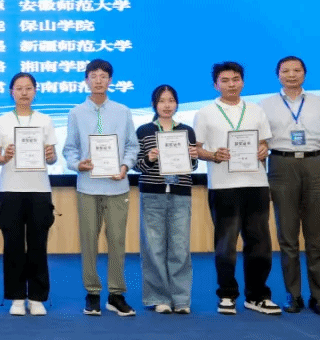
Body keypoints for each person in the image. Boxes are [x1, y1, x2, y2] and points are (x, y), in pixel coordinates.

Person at [259, 57, 320, 316]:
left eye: (297, 70)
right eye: (285, 71)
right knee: (287, 236)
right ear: (278, 75)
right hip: (281, 165)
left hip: (316, 164)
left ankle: (319, 297)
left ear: (304, 74)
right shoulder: (264, 105)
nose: (291, 74)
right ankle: (293, 295)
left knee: (319, 237)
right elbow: (259, 143)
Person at [193, 62, 280, 315]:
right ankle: (227, 294)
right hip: (223, 186)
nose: (231, 84)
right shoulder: (205, 112)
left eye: (235, 79)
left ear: (242, 81)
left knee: (259, 243)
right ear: (215, 85)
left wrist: (264, 150)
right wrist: (213, 155)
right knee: (225, 244)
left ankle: (257, 296)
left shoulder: (256, 110)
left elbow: (264, 143)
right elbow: (196, 149)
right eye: (225, 80)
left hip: (256, 184)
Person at [64, 59, 140, 317]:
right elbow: (70, 149)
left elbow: (132, 146)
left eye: (103, 76)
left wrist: (125, 166)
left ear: (110, 80)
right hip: (88, 186)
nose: (98, 80)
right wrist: (78, 164)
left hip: (117, 186)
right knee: (89, 241)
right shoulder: (76, 113)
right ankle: (93, 292)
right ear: (86, 80)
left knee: (117, 241)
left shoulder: (123, 111)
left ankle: (116, 294)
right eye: (93, 75)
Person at [0, 73, 57, 316]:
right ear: (12, 92)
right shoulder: (2, 121)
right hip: (10, 190)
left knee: (38, 245)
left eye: (28, 88)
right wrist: (4, 156)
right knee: (13, 246)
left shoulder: (45, 120)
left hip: (39, 190)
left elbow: (53, 157)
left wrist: (51, 156)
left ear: (35, 91)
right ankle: (17, 297)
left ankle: (37, 298)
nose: (24, 93)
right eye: (19, 88)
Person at [133, 84, 198, 315]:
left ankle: (181, 299)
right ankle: (158, 297)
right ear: (154, 104)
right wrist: (150, 158)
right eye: (162, 101)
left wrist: (193, 157)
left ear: (177, 104)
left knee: (180, 248)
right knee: (154, 248)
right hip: (153, 193)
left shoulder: (187, 131)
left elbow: (192, 166)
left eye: (171, 100)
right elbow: (137, 165)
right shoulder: (144, 131)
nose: (167, 105)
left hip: (180, 192)